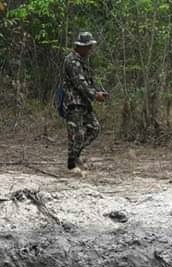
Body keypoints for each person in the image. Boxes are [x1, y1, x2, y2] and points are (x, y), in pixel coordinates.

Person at [61, 32, 109, 175]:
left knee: (94, 128)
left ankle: (75, 156)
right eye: (87, 47)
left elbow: (89, 82)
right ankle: (72, 163)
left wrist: (99, 91)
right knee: (75, 134)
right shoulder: (71, 61)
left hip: (84, 103)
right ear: (79, 46)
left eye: (90, 47)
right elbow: (80, 84)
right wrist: (95, 95)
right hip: (74, 103)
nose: (90, 50)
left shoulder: (82, 61)